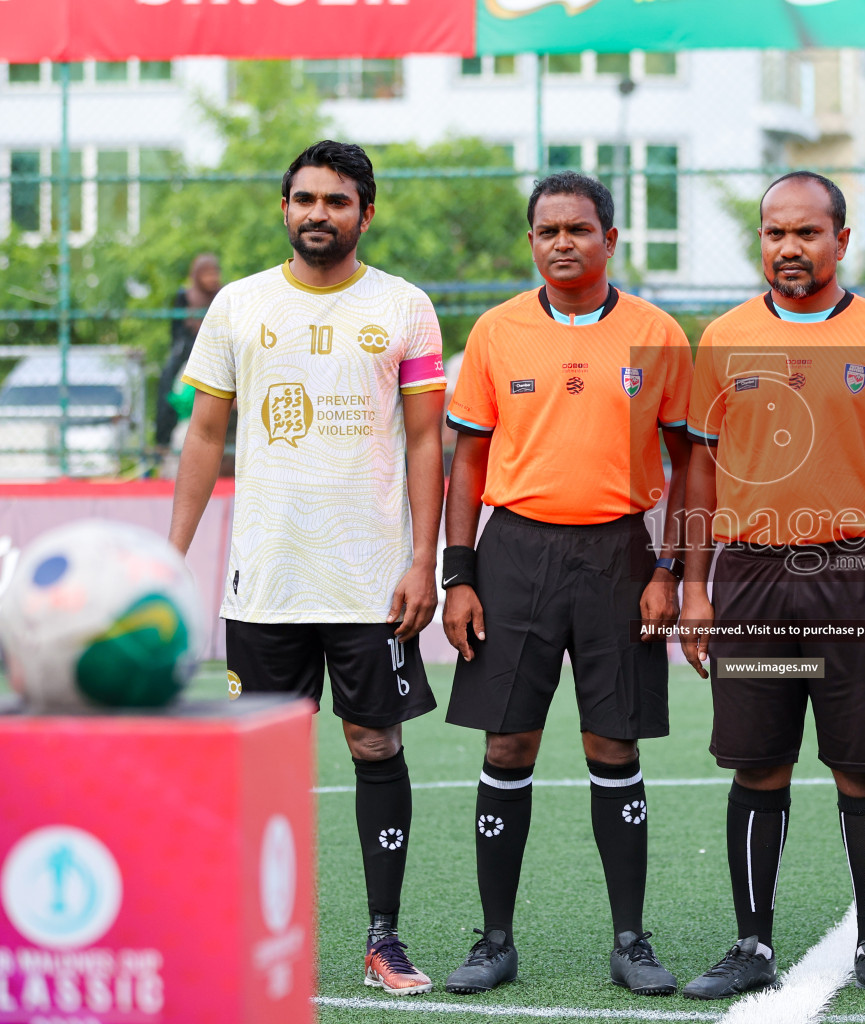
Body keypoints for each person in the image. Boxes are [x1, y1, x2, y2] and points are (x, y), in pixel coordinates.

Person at [169, 140, 446, 995]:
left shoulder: (405, 307)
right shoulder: (240, 307)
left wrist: (422, 560)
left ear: (366, 211)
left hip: (369, 578)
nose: (317, 214)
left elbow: (430, 440)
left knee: (374, 741)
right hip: (267, 576)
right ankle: (244, 932)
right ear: (283, 209)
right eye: (303, 199)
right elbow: (206, 436)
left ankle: (383, 940)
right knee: (260, 760)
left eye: (335, 200)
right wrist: (167, 561)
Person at [678, 171, 865, 1001]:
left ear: (841, 241)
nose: (790, 248)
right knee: (759, 766)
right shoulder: (722, 337)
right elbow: (700, 477)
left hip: (856, 576)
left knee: (863, 768)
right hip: (750, 579)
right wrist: (694, 586)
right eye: (775, 233)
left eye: (808, 233)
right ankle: (751, 943)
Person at [438, 171, 693, 997]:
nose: (561, 243)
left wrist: (669, 568)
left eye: (578, 229)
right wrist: (459, 575)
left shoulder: (657, 334)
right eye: (547, 231)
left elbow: (691, 464)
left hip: (620, 556)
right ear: (531, 242)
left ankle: (631, 940)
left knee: (611, 745)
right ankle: (494, 940)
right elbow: (467, 461)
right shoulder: (497, 331)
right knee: (506, 743)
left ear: (610, 240)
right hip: (512, 555)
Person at [156, 253, 222, 461]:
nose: (211, 279)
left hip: (216, 349)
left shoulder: (223, 295)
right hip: (188, 349)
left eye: (214, 273)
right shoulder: (185, 296)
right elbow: (176, 331)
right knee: (168, 385)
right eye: (207, 274)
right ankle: (162, 443)